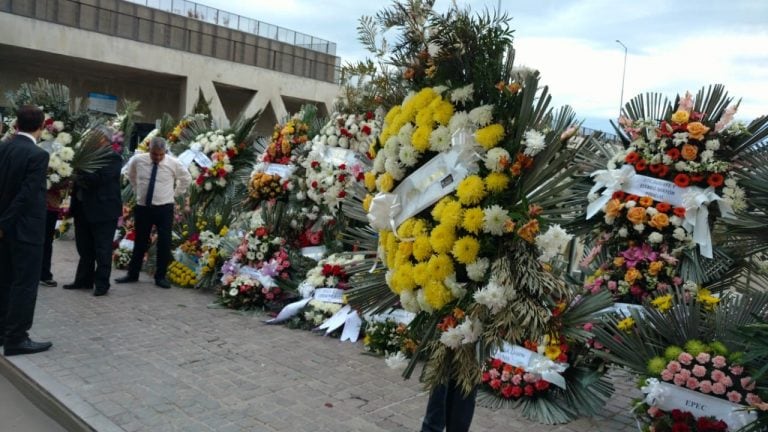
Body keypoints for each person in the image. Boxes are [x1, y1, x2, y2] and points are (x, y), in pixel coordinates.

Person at [0, 105, 54, 356]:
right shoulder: (38, 155)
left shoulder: (4, 147)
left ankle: (3, 331)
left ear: (16, 124)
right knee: (24, 283)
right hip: (24, 230)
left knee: (6, 279)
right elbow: (26, 195)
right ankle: (17, 338)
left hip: (6, 229)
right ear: (41, 126)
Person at [115, 137, 190, 288]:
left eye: (161, 155)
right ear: (149, 150)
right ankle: (132, 274)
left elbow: (186, 178)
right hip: (143, 207)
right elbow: (131, 175)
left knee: (164, 242)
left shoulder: (173, 163)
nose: (157, 158)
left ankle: (160, 276)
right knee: (140, 241)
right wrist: (138, 190)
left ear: (165, 152)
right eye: (154, 154)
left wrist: (175, 194)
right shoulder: (138, 160)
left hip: (164, 208)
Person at [63, 129, 123, 296]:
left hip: (103, 211)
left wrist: (77, 173)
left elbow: (98, 180)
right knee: (84, 248)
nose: (89, 140)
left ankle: (102, 284)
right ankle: (83, 280)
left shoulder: (112, 157)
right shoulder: (84, 155)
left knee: (102, 249)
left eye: (94, 138)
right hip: (82, 208)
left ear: (105, 140)